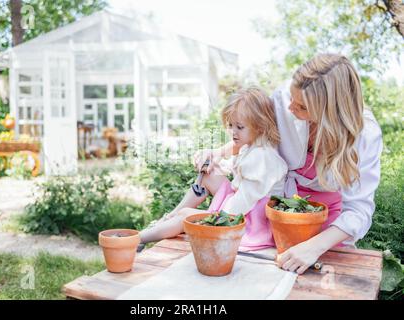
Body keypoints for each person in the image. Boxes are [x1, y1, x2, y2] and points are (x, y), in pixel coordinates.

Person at [195, 53, 383, 274]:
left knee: (324, 281)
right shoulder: (284, 100)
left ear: (329, 112)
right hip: (278, 210)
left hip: (328, 223)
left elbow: (358, 210)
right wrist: (219, 152)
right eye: (292, 98)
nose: (291, 108)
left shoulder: (364, 135)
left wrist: (313, 248)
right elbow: (259, 134)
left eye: (302, 107)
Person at [139, 86, 288, 250]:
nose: (233, 132)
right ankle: (168, 219)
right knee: (209, 174)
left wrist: (210, 218)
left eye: (239, 127)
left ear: (259, 126)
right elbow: (234, 171)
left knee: (186, 217)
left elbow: (239, 206)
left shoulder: (262, 158)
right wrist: (214, 162)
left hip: (251, 222)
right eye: (230, 125)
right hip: (243, 208)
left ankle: (138, 239)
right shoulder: (251, 146)